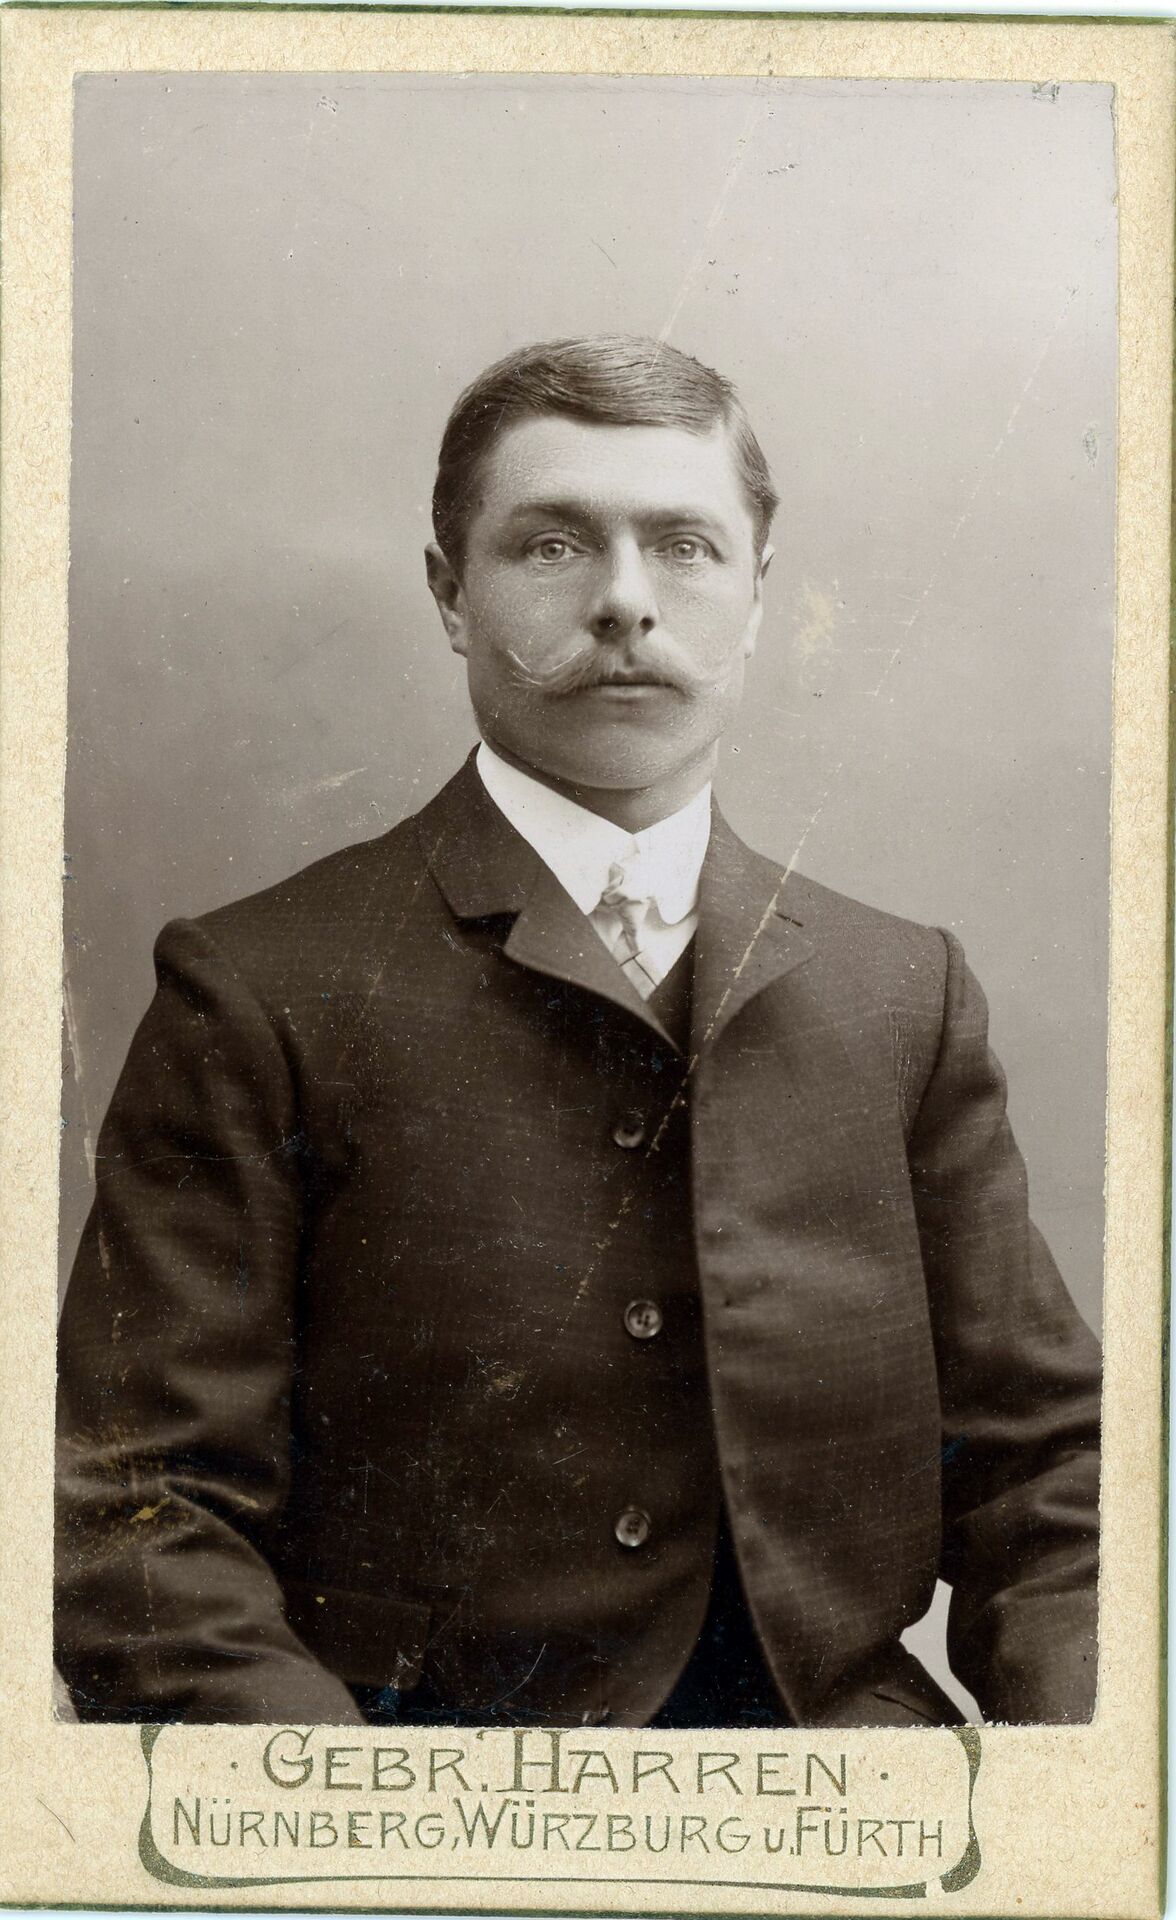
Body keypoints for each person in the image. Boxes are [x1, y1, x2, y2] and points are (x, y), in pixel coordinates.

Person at [55, 334, 1101, 1729]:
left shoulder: (901, 990)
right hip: (423, 1796)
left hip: (842, 1795)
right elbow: (139, 1514)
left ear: (759, 596)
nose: (624, 602)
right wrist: (353, 1817)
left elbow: (1053, 1484)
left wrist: (1080, 1801)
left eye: (685, 546)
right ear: (450, 593)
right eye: (552, 546)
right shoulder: (258, 987)